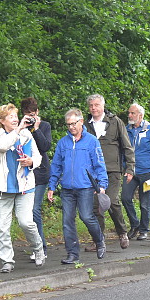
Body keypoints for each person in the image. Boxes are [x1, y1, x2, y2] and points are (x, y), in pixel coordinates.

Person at [47, 109, 108, 264]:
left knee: (87, 216)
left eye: (73, 123)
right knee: (67, 221)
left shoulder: (92, 141)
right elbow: (56, 166)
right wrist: (52, 186)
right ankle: (72, 254)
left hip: (86, 186)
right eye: (68, 124)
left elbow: (99, 164)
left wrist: (102, 184)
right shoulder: (63, 143)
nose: (71, 127)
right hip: (67, 188)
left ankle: (99, 240)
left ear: (81, 122)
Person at [0, 104, 45, 273]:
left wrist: (32, 162)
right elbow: (2, 146)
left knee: (26, 222)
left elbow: (38, 156)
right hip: (3, 187)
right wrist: (19, 128)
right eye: (11, 116)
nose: (15, 119)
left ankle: (38, 249)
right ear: (2, 121)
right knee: (2, 226)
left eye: (16, 116)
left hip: (25, 185)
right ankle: (7, 261)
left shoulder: (27, 134)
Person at [85, 94, 135, 250]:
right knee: (96, 206)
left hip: (112, 170)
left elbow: (127, 146)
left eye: (97, 105)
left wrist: (130, 167)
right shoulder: (85, 125)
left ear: (103, 106)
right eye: (91, 105)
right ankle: (98, 239)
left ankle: (122, 232)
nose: (94, 108)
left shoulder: (115, 122)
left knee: (112, 202)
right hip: (93, 173)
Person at [121, 103, 150, 241]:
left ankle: (144, 230)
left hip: (147, 172)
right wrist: (123, 166)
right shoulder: (126, 130)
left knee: (145, 203)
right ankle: (135, 224)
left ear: (140, 115)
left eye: (132, 113)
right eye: (129, 113)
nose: (129, 115)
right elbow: (123, 151)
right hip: (131, 171)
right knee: (125, 197)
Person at [20, 97, 52, 260]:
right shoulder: (19, 126)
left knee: (34, 209)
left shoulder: (45, 126)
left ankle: (42, 248)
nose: (30, 117)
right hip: (23, 174)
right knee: (26, 213)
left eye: (32, 114)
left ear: (37, 113)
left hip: (40, 173)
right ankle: (37, 247)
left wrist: (36, 129)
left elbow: (45, 147)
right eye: (27, 114)